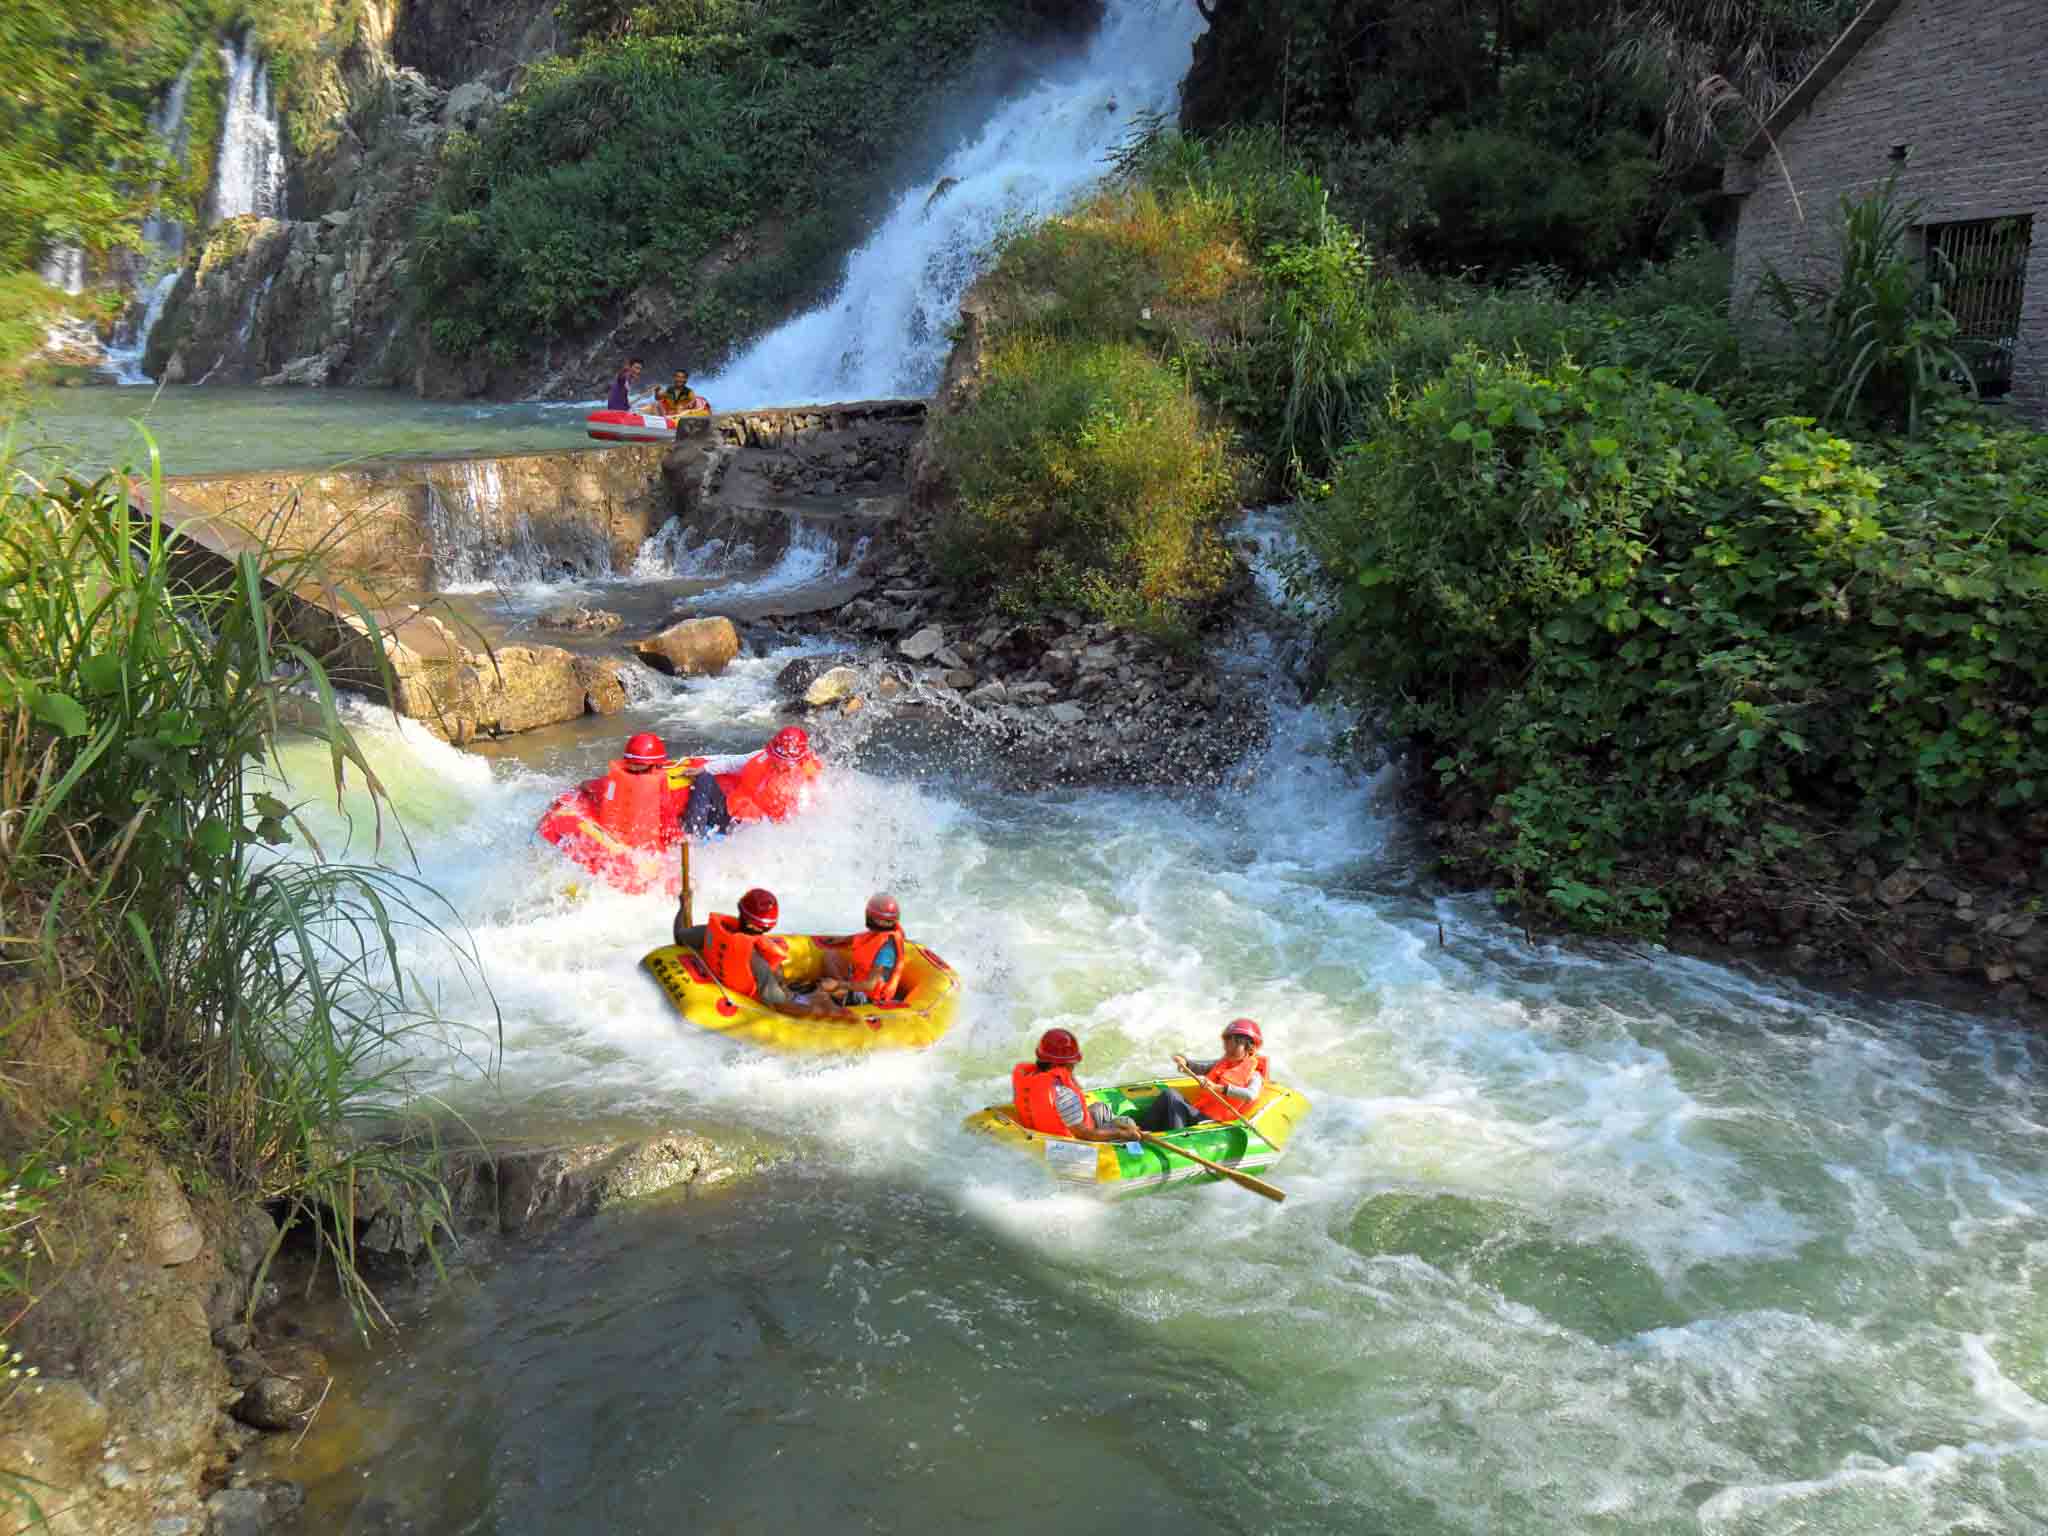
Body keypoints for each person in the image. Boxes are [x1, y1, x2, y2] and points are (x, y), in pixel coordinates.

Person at [672, 886, 842, 1015]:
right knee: (826, 989)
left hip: (727, 983)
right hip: (758, 1002)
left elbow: (680, 936)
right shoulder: (756, 961)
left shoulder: (712, 932)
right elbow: (779, 1003)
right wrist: (820, 1005)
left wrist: (684, 907)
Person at [681, 725, 824, 837]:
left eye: (784, 761)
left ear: (796, 761)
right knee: (704, 777)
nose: (778, 763)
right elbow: (731, 764)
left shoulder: (803, 786)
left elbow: (797, 824)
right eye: (776, 758)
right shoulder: (762, 757)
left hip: (756, 832)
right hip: (730, 815)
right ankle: (693, 834)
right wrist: (702, 769)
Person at [1135, 1018, 1270, 1132]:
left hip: (1214, 1123)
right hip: (1200, 1113)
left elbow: (1251, 1094)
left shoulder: (1254, 1074)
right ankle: (1141, 1131)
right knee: (1169, 1094)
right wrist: (1186, 1063)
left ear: (1249, 1048)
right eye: (1227, 1043)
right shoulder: (1224, 1063)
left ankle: (1179, 1139)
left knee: (1171, 1097)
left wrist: (1218, 1088)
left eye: (1234, 1046)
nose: (1228, 1048)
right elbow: (1201, 1067)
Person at [1009, 1029, 1142, 1143]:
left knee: (1100, 1108)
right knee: (1127, 1122)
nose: (1074, 1066)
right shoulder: (1064, 1094)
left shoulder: (1029, 1076)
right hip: (1074, 1143)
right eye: (1072, 1063)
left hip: (1042, 1130)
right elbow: (1084, 1134)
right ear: (1064, 1064)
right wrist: (1121, 1133)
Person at [582, 731, 693, 850]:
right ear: (656, 765)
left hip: (613, 841)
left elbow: (590, 787)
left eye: (635, 764)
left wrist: (584, 787)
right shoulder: (655, 782)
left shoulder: (615, 777)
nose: (633, 767)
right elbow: (667, 817)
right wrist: (677, 837)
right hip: (639, 850)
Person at [819, 893, 907, 1004]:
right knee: (830, 956)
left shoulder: (886, 949)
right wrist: (843, 939)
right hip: (858, 979)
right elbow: (865, 938)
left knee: (821, 991)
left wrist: (838, 984)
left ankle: (837, 997)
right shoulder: (881, 930)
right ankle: (837, 988)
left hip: (869, 997)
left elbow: (870, 985)